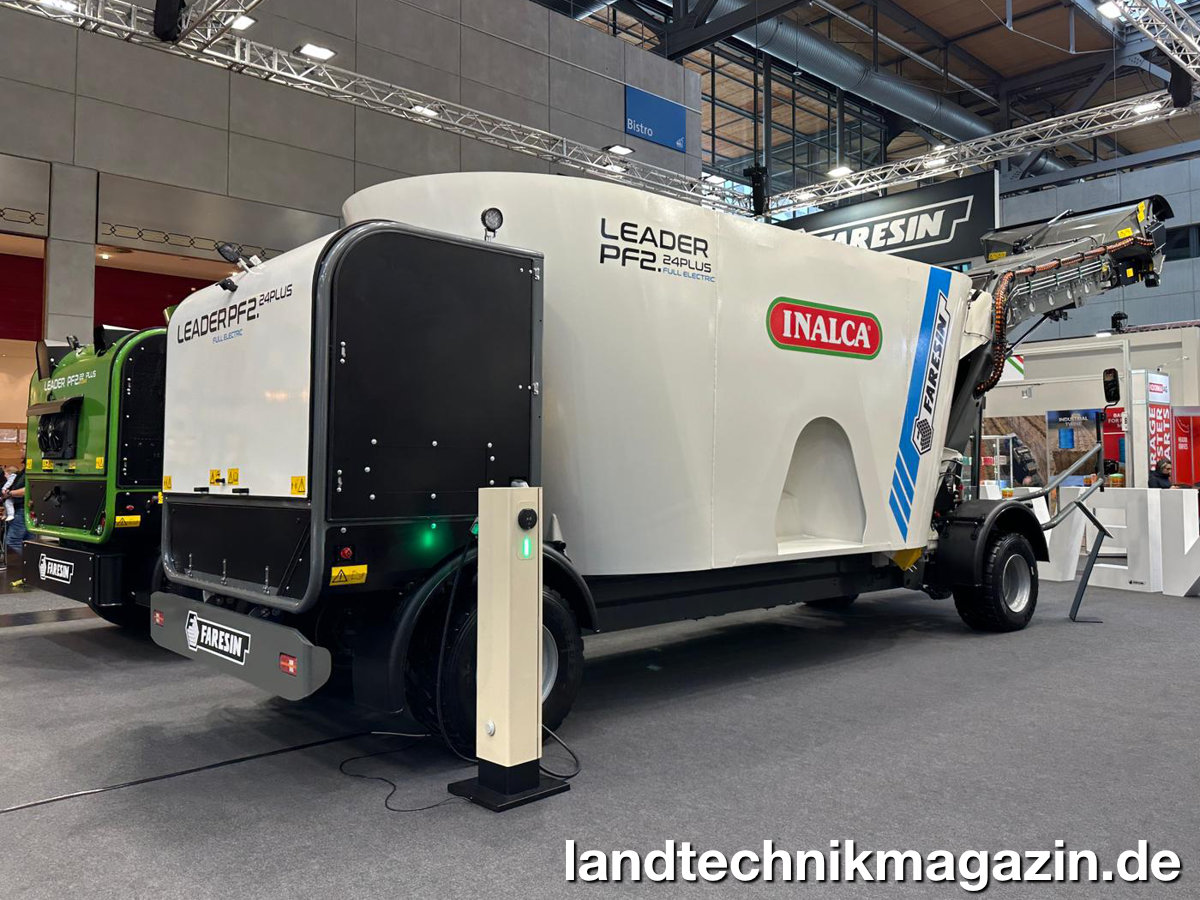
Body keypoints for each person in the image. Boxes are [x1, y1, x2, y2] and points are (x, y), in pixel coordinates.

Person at [2, 456, 26, 564]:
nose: (21, 450)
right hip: (21, 509)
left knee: (13, 542)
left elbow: (26, 490)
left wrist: (9, 493)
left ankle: (18, 569)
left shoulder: (25, 474)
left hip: (21, 509)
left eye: (23, 448)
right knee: (27, 541)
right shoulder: (21, 473)